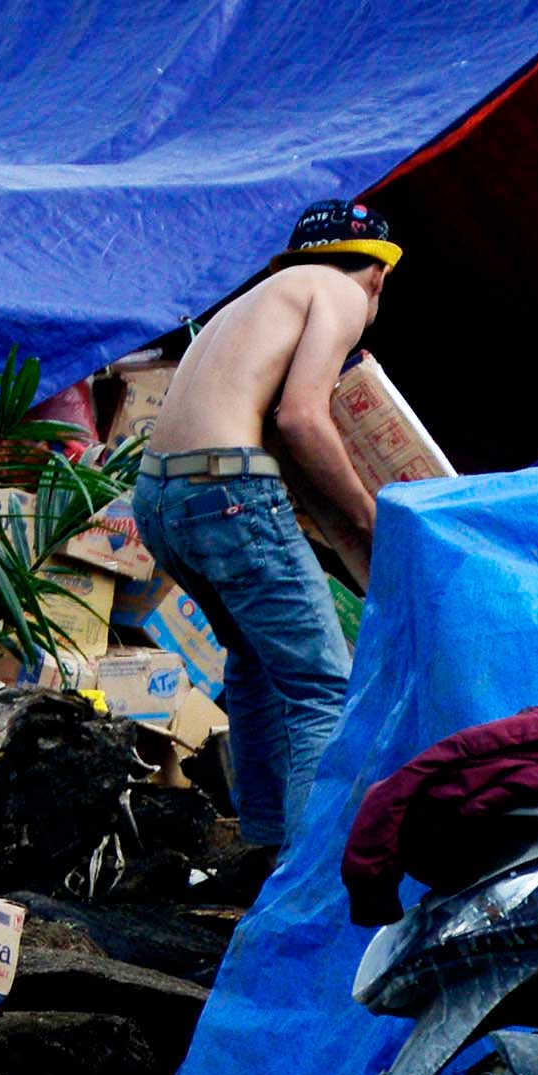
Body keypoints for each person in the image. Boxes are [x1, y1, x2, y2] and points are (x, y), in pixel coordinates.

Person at [139, 197, 399, 853]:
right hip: (226, 490)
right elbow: (302, 419)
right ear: (378, 274)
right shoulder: (339, 291)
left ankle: (260, 849)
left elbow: (288, 451)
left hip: (160, 500)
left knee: (252, 665)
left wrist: (357, 543)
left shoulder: (259, 299)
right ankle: (312, 881)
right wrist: (372, 514)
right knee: (320, 685)